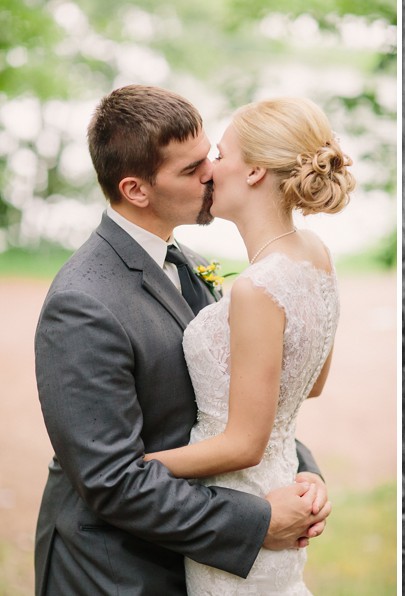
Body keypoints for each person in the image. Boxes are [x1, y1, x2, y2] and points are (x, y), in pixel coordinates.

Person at [34, 85, 330, 595]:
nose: (211, 174)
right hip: (115, 569)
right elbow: (112, 480)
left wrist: (302, 473)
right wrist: (257, 521)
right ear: (136, 190)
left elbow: (234, 398)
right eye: (192, 170)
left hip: (189, 548)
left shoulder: (188, 262)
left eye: (210, 156)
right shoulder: (81, 304)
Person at [144, 97, 354, 593]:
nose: (208, 169)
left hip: (241, 509)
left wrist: (136, 469)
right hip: (279, 484)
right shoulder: (315, 254)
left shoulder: (258, 287)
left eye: (219, 152)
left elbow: (243, 443)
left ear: (256, 169)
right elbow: (312, 383)